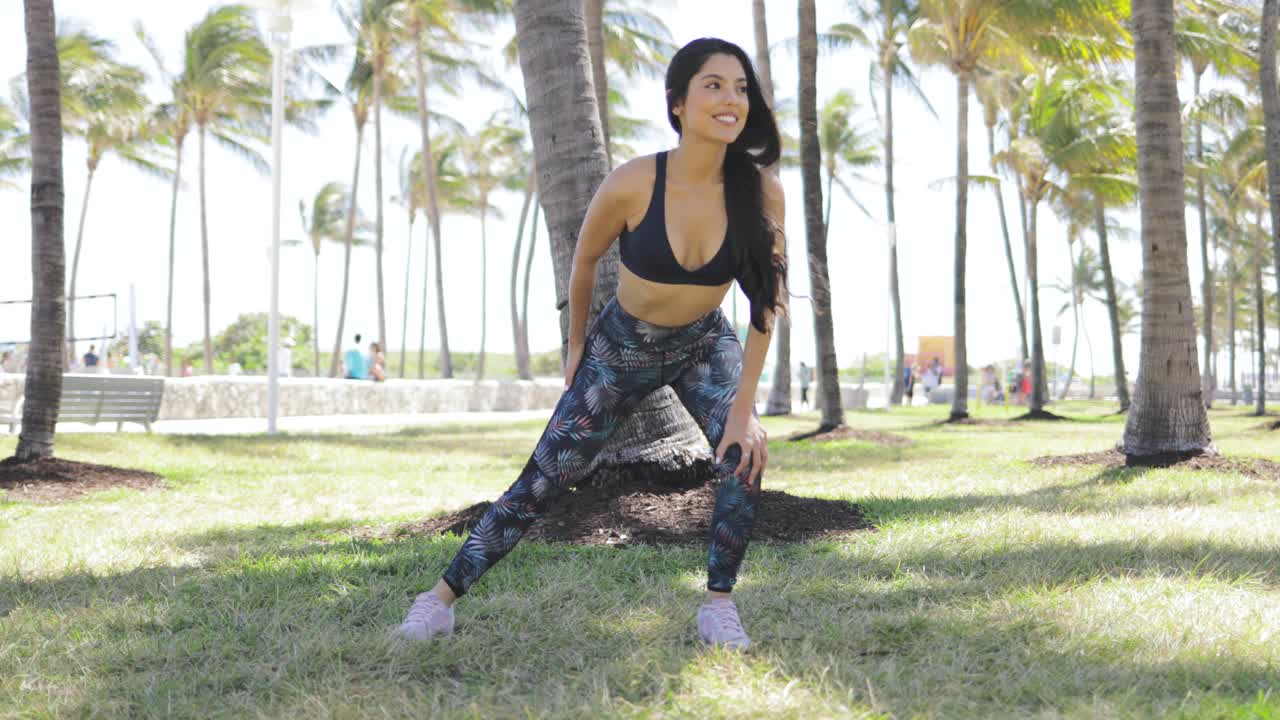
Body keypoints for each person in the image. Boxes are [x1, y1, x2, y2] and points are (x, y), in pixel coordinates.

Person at [396, 38, 786, 650]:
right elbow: (585, 261)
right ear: (677, 104)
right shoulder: (635, 181)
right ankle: (438, 600)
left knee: (744, 456)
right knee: (546, 476)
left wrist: (745, 411)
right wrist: (578, 344)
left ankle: (718, 605)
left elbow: (767, 306)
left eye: (740, 87)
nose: (730, 99)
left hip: (704, 344)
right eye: (713, 85)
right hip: (622, 346)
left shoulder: (760, 191)